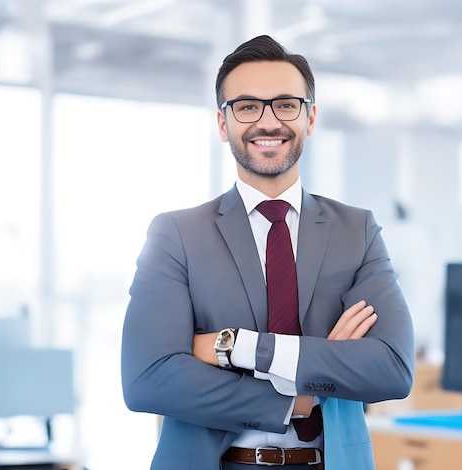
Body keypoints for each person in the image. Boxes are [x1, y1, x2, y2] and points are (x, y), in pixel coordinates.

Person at [121, 34, 415, 470]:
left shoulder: (358, 231)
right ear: (223, 124)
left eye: (286, 104)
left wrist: (237, 347)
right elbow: (148, 380)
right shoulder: (176, 234)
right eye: (246, 106)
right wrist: (298, 398)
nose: (268, 121)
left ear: (310, 118)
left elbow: (391, 368)